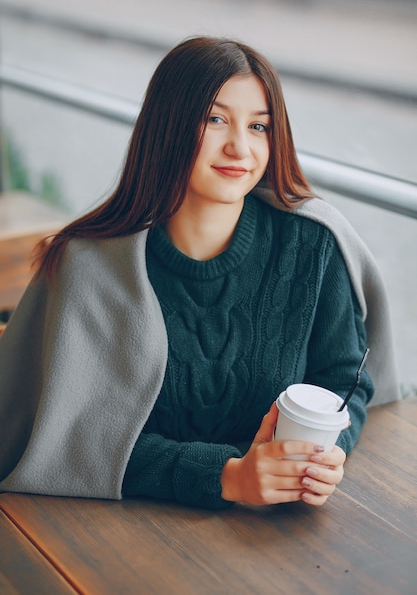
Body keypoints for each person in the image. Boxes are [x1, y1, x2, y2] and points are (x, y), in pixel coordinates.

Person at [0, 36, 399, 509]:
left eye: (258, 126)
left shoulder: (312, 245)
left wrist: (325, 454)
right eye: (215, 119)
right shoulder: (90, 267)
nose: (239, 147)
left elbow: (344, 379)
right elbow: (71, 442)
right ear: (166, 126)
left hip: (284, 527)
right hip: (128, 527)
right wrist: (225, 477)